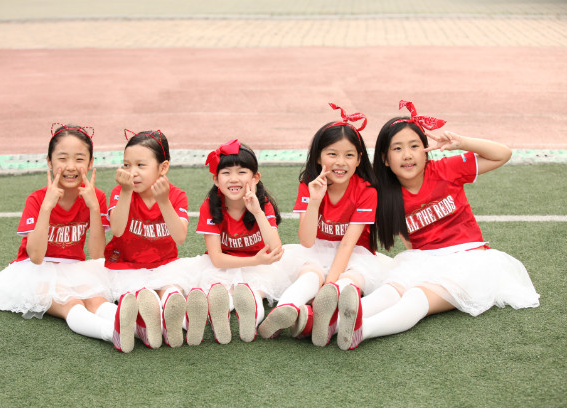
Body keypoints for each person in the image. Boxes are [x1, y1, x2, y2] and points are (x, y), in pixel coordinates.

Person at [340, 100, 540, 350]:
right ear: (385, 159)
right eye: (398, 148)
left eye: (414, 146)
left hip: (470, 259)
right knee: (392, 289)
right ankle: (329, 323)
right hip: (424, 259)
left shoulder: (446, 169)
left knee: (417, 296)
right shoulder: (384, 194)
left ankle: (361, 331)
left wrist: (462, 142)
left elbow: (503, 154)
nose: (407, 155)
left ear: (426, 150)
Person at [0, 123, 123, 348]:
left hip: (73, 268)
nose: (71, 166)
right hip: (35, 271)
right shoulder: (37, 199)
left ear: (90, 163)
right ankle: (112, 333)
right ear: (49, 161)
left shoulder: (95, 196)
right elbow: (36, 257)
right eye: (62, 158)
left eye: (79, 159)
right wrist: (47, 207)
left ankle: (139, 326)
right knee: (71, 303)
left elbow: (97, 254)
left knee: (95, 299)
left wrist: (94, 208)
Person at [257, 103, 389, 349]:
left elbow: (348, 244)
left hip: (354, 254)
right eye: (332, 154)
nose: (341, 162)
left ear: (359, 159)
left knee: (351, 278)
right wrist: (315, 201)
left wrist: (329, 287)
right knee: (310, 273)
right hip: (316, 248)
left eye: (349, 155)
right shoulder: (309, 185)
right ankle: (286, 309)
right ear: (318, 157)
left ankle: (325, 309)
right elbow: (306, 241)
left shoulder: (366, 191)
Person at [104, 129, 206, 352]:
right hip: (127, 266)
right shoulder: (121, 192)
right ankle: (158, 323)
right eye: (127, 165)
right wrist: (126, 192)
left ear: (163, 167)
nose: (132, 172)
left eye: (141, 165)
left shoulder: (176, 195)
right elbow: (117, 230)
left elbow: (180, 237)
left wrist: (163, 201)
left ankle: (178, 316)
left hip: (163, 264)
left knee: (171, 290)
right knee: (144, 297)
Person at [196, 140, 288, 344]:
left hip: (260, 266)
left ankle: (250, 322)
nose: (234, 179)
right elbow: (217, 259)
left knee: (253, 293)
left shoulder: (262, 203)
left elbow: (276, 249)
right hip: (227, 264)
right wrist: (255, 260)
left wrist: (257, 212)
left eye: (242, 172)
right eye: (226, 173)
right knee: (221, 293)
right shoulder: (210, 205)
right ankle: (218, 319)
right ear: (216, 179)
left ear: (255, 178)